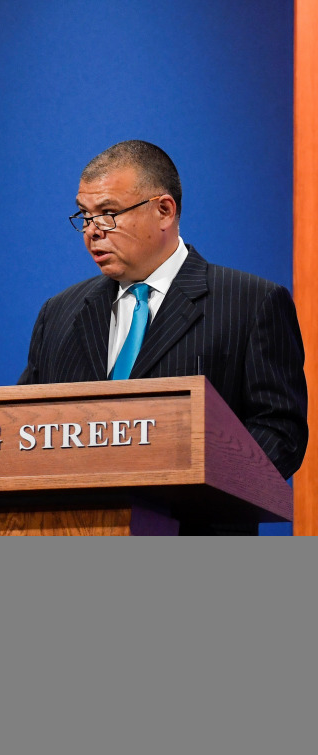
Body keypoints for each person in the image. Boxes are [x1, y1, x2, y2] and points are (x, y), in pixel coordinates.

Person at [19, 140, 307, 533]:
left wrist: (189, 485)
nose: (92, 232)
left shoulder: (251, 303)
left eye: (108, 214)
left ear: (164, 211)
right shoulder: (59, 313)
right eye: (84, 216)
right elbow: (26, 430)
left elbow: (280, 433)